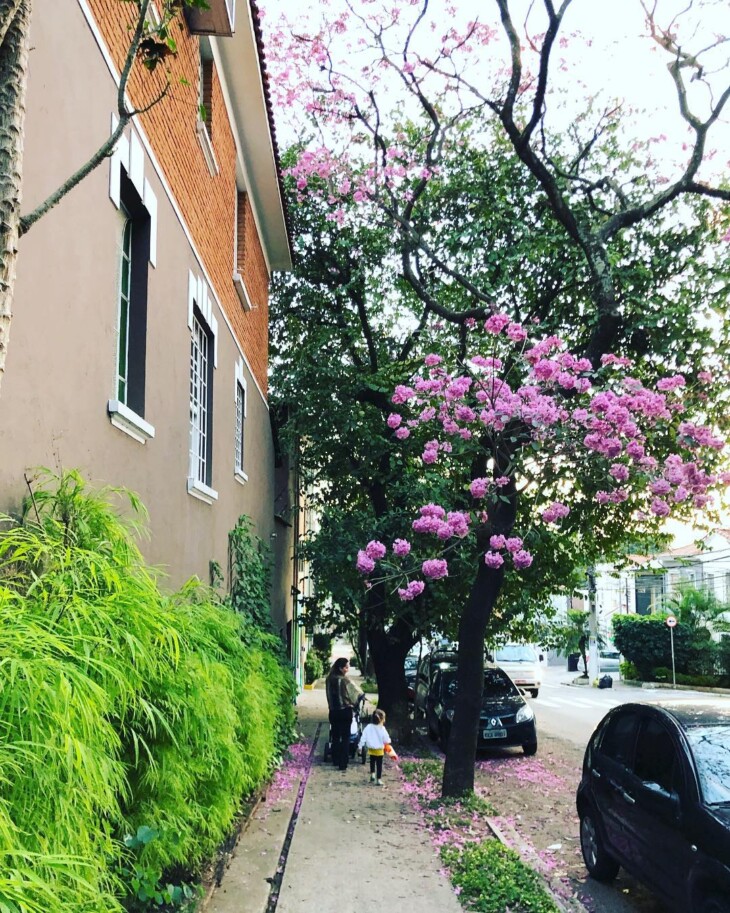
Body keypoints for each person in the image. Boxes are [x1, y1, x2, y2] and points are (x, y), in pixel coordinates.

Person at [325, 657, 361, 771]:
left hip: (333, 711)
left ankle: (335, 759)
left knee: (335, 736)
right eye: (346, 667)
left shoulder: (329, 679)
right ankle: (343, 763)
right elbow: (356, 694)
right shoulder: (345, 680)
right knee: (346, 737)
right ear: (340, 668)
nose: (347, 669)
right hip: (345, 712)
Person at [358, 708, 394, 786]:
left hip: (371, 749)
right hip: (379, 750)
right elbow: (386, 739)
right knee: (379, 764)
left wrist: (360, 746)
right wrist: (388, 742)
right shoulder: (382, 729)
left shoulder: (368, 727)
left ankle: (372, 774)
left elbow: (363, 737)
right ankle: (379, 779)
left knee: (372, 761)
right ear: (381, 719)